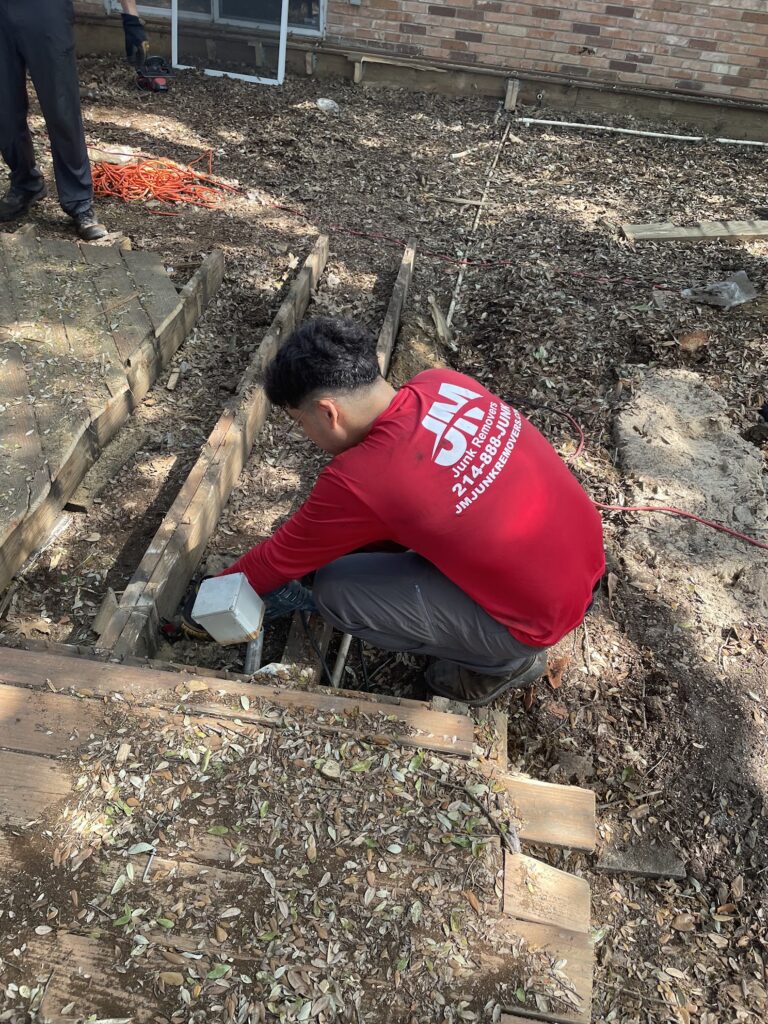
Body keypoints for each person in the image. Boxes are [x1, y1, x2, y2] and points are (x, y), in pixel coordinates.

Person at [219, 319, 605, 707]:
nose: (305, 434)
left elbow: (276, 561)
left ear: (328, 413)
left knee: (336, 589)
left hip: (535, 620)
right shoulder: (441, 382)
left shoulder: (362, 478)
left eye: (299, 423)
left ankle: (503, 664)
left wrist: (208, 598)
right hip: (583, 563)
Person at [0, 0, 147, 240]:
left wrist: (130, 16)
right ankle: (25, 183)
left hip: (45, 11)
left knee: (61, 110)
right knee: (4, 111)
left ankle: (79, 202)